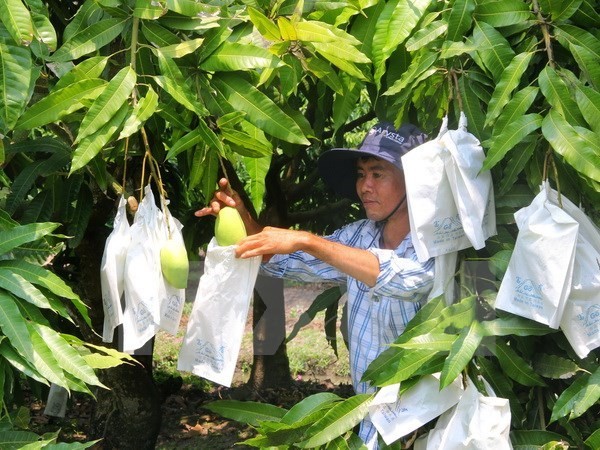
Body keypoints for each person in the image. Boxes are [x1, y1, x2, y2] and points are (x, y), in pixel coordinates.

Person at [196, 122, 435, 448]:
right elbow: (280, 261)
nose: (365, 186)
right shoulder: (360, 235)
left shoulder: (437, 243)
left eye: (378, 174)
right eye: (361, 174)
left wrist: (307, 240)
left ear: (414, 181)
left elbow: (403, 278)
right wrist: (241, 218)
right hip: (369, 419)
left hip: (424, 427)